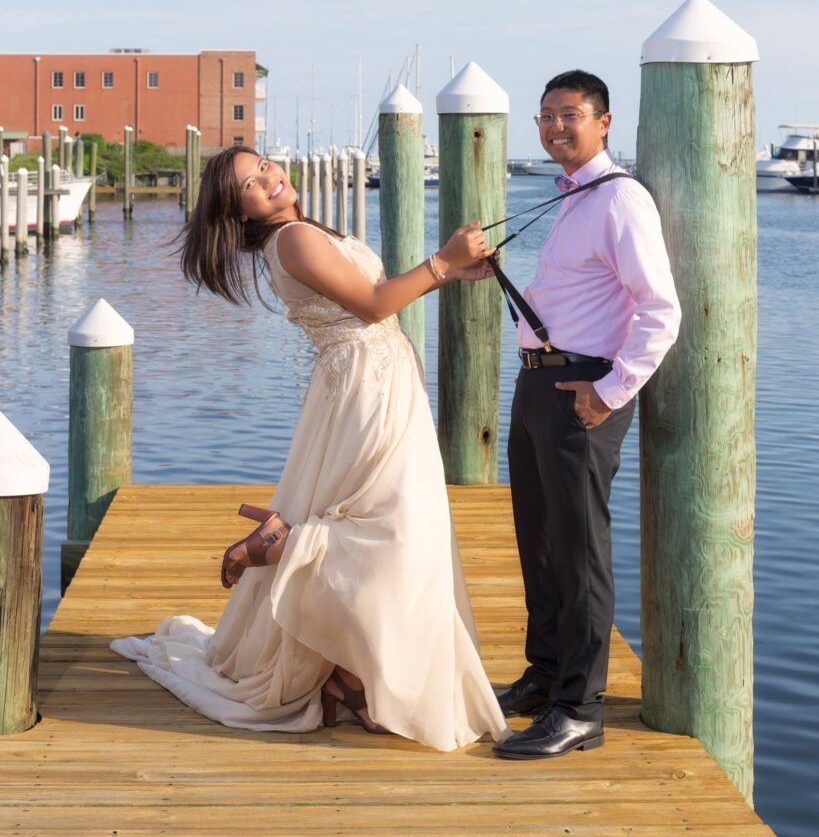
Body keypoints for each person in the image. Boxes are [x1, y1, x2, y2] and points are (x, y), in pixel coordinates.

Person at [111, 145, 509, 752]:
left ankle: (351, 680)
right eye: (250, 183)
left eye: (266, 166)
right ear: (238, 209)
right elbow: (374, 306)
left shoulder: (301, 233)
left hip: (373, 378)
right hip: (366, 387)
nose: (269, 179)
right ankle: (285, 546)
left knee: (397, 523)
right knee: (396, 529)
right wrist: (441, 259)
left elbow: (369, 300)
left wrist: (454, 271)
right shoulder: (292, 238)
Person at [493, 71, 681, 760]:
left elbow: (659, 310)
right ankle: (544, 679)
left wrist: (610, 391)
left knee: (578, 551)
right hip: (537, 384)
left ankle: (579, 708)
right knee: (538, 543)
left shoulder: (619, 199)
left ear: (603, 123)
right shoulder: (573, 200)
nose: (553, 127)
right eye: (544, 116)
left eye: (568, 115)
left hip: (582, 389)